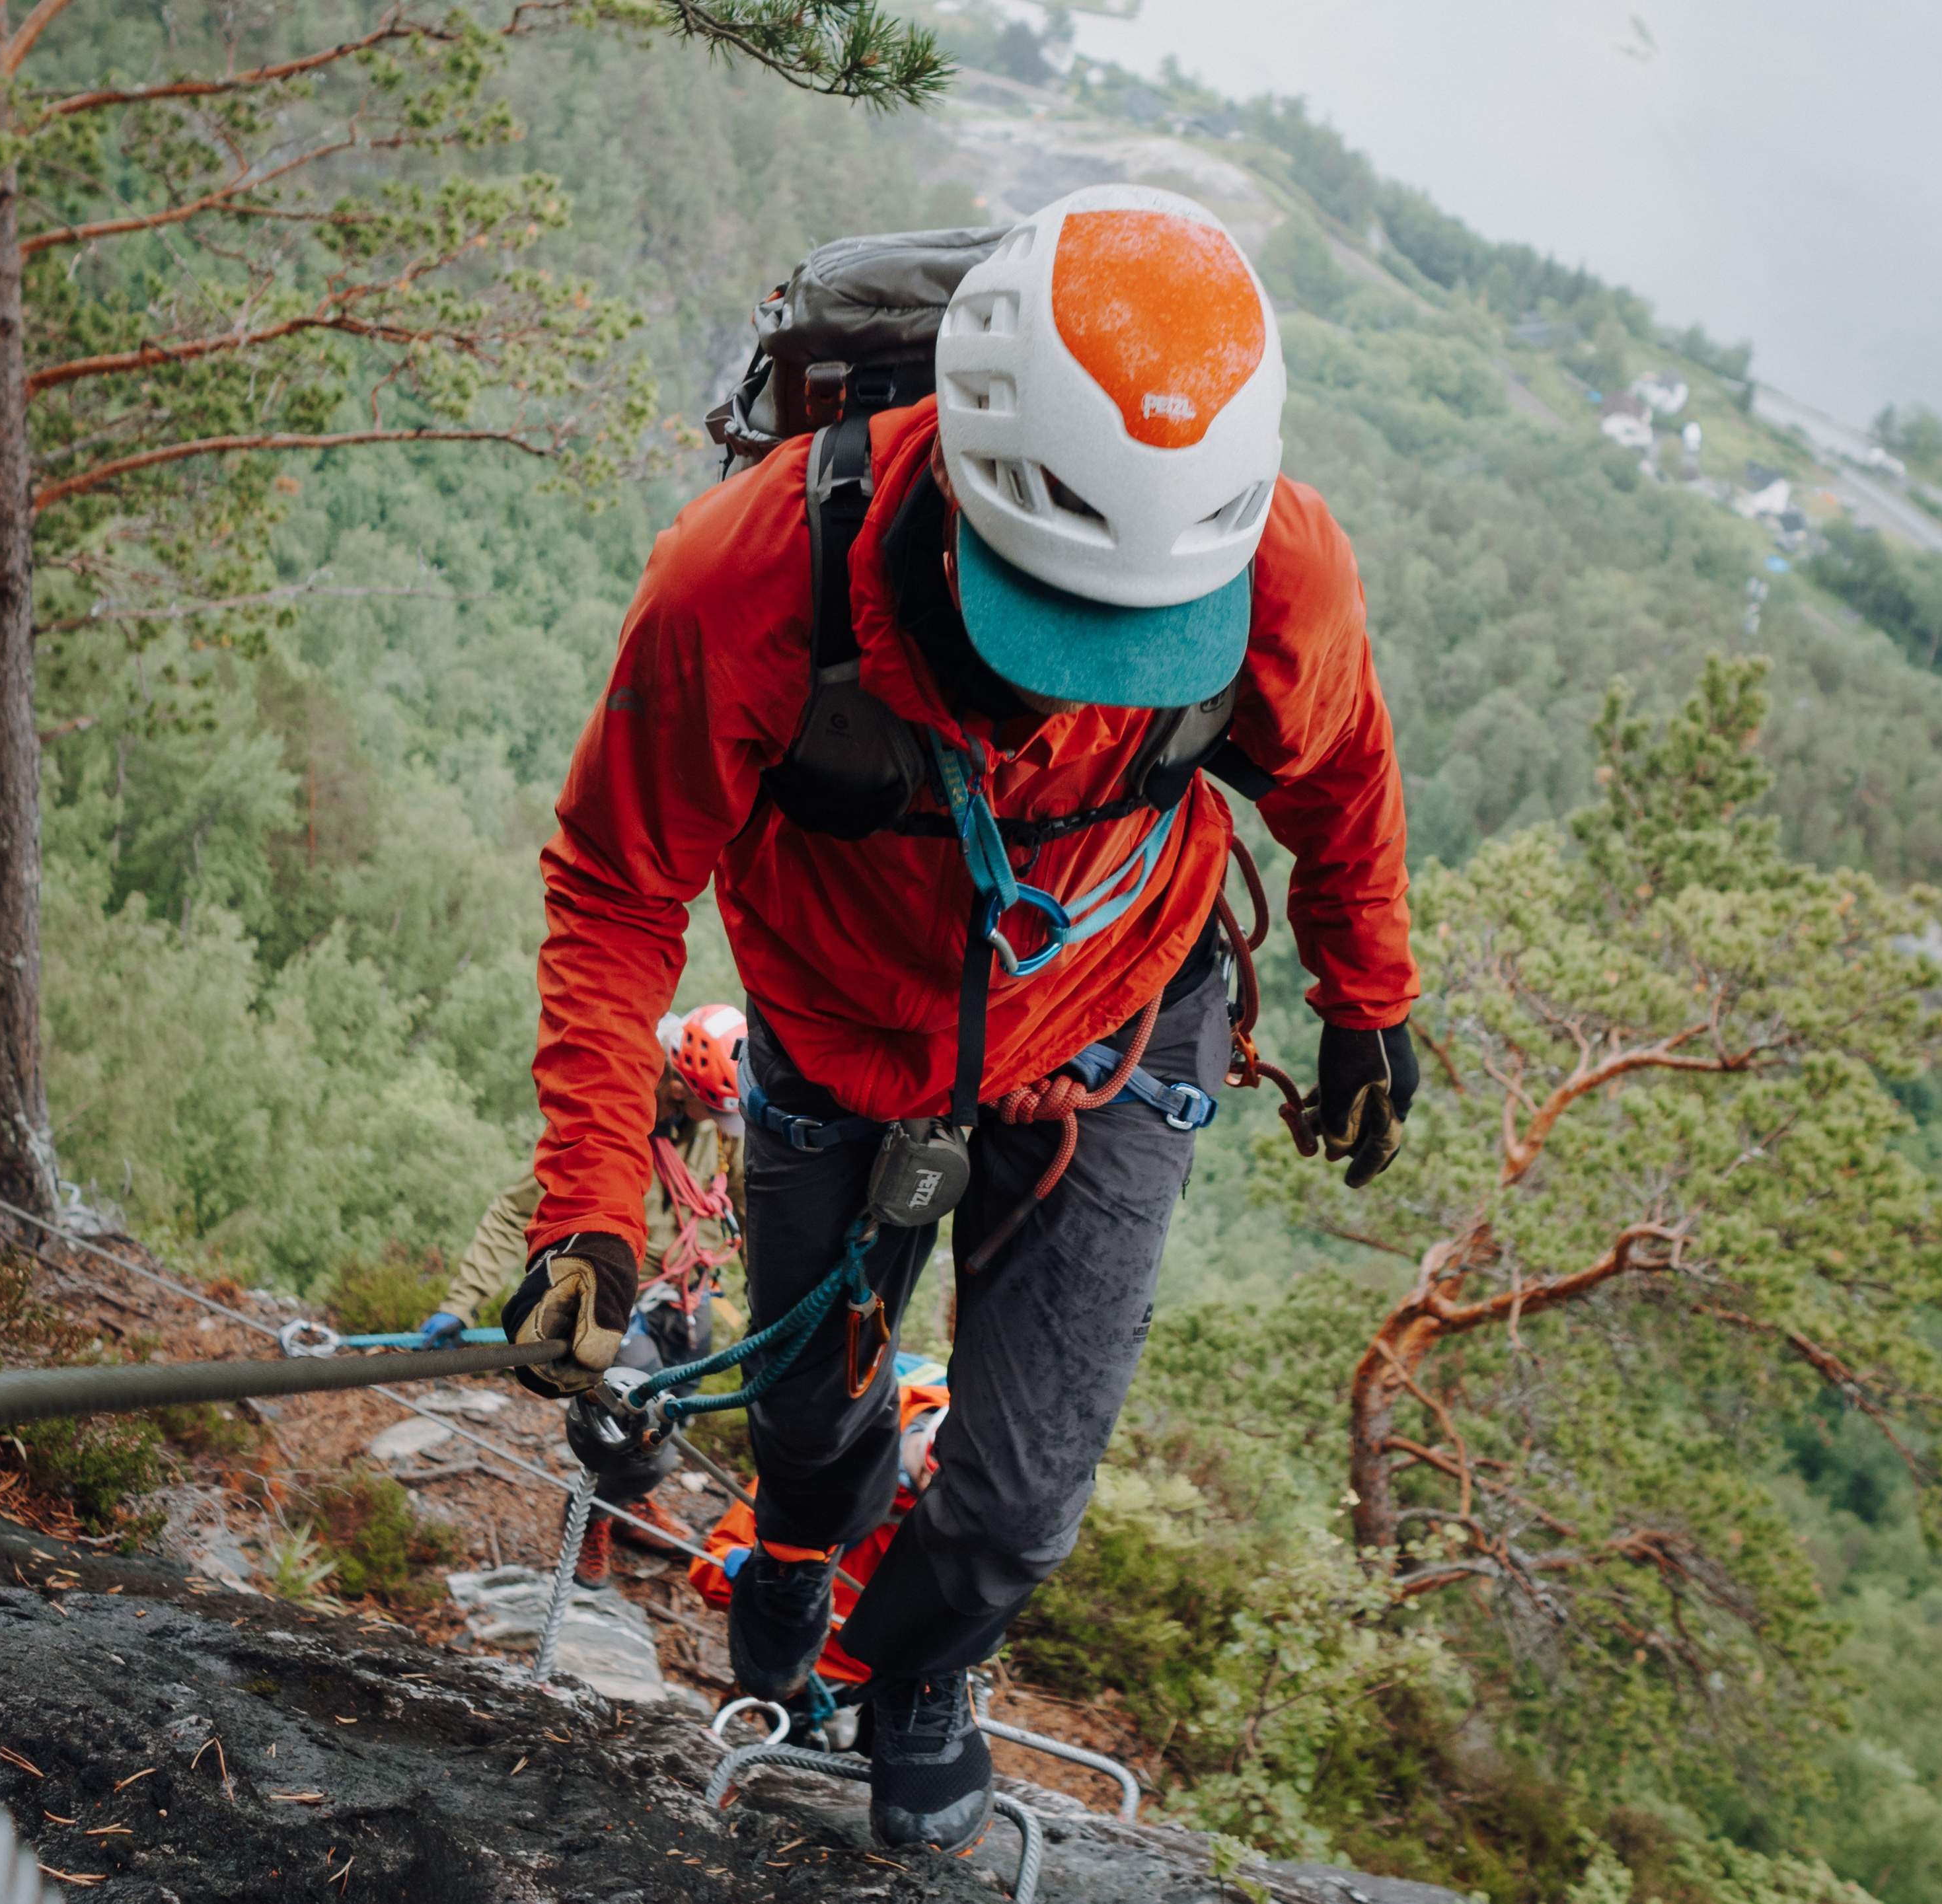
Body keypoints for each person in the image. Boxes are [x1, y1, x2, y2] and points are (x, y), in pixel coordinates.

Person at [511, 184, 1418, 1855]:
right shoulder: (751, 581)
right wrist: (587, 1208)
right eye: (1044, 628)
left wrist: (1365, 995)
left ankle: (914, 1668)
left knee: (1015, 1502)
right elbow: (620, 884)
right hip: (839, 1036)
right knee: (806, 1419)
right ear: (960, 505)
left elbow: (1338, 771)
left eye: (1127, 646)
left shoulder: (1273, 569)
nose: (1075, 688)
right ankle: (797, 1544)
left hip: (1116, 1019)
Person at [424, 1004, 748, 1582]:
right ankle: (592, 1514)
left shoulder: (715, 1128)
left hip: (688, 1296)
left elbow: (749, 1204)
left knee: (681, 1410)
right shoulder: (609, 1126)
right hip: (618, 1303)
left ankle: (624, 1504)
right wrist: (460, 1302)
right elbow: (513, 1212)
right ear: (679, 1085)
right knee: (640, 1428)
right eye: (715, 1111)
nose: (724, 1126)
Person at [688, 1372, 950, 1706]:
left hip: (864, 1664)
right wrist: (750, 1573)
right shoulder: (842, 1449)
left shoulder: (987, 1501)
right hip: (802, 1645)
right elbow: (710, 1566)